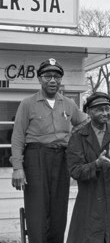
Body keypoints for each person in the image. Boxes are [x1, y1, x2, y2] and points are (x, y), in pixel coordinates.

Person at [10, 58, 88, 243]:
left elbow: (85, 123)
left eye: (56, 76)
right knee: (37, 209)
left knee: (59, 209)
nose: (52, 80)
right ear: (39, 79)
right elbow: (18, 136)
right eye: (47, 76)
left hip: (61, 159)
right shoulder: (28, 103)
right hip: (35, 157)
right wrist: (17, 167)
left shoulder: (68, 104)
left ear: (61, 80)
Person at [66, 92, 110, 243]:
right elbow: (75, 170)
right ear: (89, 112)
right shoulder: (78, 137)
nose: (105, 113)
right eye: (99, 109)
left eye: (107, 109)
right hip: (89, 202)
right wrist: (96, 164)